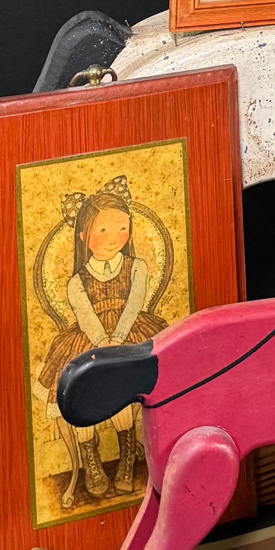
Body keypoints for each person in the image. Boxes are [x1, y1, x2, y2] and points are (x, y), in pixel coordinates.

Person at [37, 176, 166, 508]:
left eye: (122, 229)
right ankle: (90, 458)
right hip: (89, 340)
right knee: (86, 387)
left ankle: (127, 455)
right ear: (83, 236)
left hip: (130, 332)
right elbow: (85, 316)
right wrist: (102, 342)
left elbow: (135, 304)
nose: (113, 239)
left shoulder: (136, 267)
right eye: (103, 230)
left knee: (124, 386)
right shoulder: (77, 281)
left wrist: (118, 339)